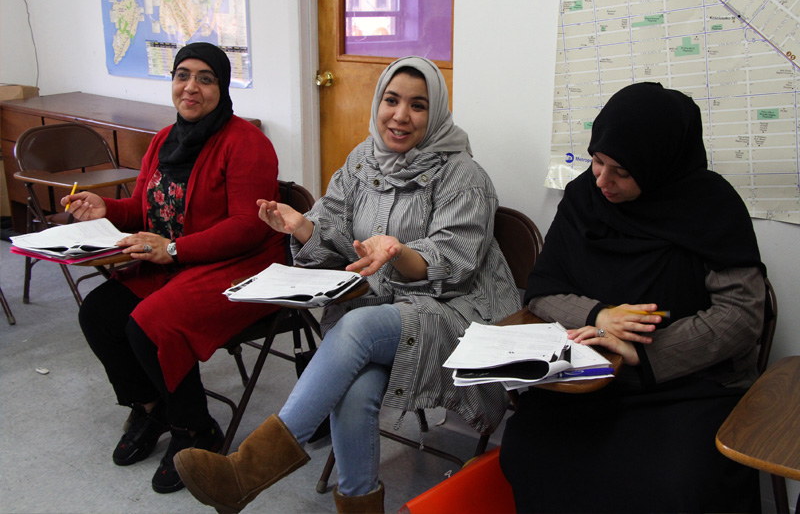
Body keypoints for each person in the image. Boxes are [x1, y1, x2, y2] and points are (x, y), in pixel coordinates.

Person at [172, 56, 521, 514]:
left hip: (459, 315)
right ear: (377, 103)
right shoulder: (362, 160)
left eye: (417, 106)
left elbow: (454, 262)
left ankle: (246, 471)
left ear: (435, 113)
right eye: (391, 101)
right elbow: (334, 229)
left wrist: (399, 252)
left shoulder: (463, 176)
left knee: (355, 330)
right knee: (354, 387)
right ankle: (358, 505)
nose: (400, 115)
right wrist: (300, 227)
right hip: (386, 311)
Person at [499, 82, 767, 513]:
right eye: (597, 160)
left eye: (622, 171)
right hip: (591, 378)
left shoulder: (713, 207)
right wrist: (600, 315)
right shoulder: (585, 197)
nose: (602, 179)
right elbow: (544, 289)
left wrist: (645, 352)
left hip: (687, 384)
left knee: (672, 483)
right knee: (527, 450)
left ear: (658, 164)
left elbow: (741, 317)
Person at [61, 43, 285, 494]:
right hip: (175, 258)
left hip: (242, 266)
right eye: (183, 75)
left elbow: (247, 228)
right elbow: (144, 210)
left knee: (151, 323)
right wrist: (107, 207)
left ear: (222, 88)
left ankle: (195, 428)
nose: (192, 87)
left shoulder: (248, 144)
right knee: (99, 312)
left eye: (206, 78)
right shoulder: (165, 139)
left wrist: (175, 250)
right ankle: (151, 407)